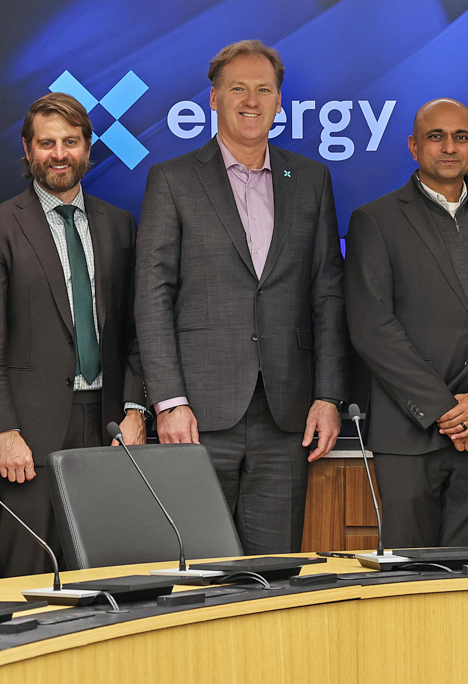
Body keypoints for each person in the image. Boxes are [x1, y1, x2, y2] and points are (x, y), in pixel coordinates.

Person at [137, 40, 348, 554]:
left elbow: (327, 293)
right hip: (197, 415)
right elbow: (152, 294)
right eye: (238, 88)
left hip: (287, 416)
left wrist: (328, 396)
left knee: (272, 575)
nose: (251, 100)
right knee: (195, 572)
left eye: (264, 90)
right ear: (213, 99)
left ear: (280, 103)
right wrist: (168, 402)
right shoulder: (173, 180)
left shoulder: (311, 180)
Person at [0, 93, 145, 576]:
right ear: (27, 150)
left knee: (102, 565)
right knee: (29, 567)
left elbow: (135, 330)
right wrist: (4, 432)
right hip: (30, 431)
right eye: (47, 143)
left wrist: (134, 409)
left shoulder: (119, 225)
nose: (59, 154)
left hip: (108, 424)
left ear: (88, 148)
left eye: (70, 141)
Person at [346, 99, 468, 548]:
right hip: (410, 435)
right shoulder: (376, 220)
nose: (449, 147)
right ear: (413, 146)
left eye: (460, 137)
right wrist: (447, 412)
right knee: (409, 585)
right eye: (436, 136)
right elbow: (372, 327)